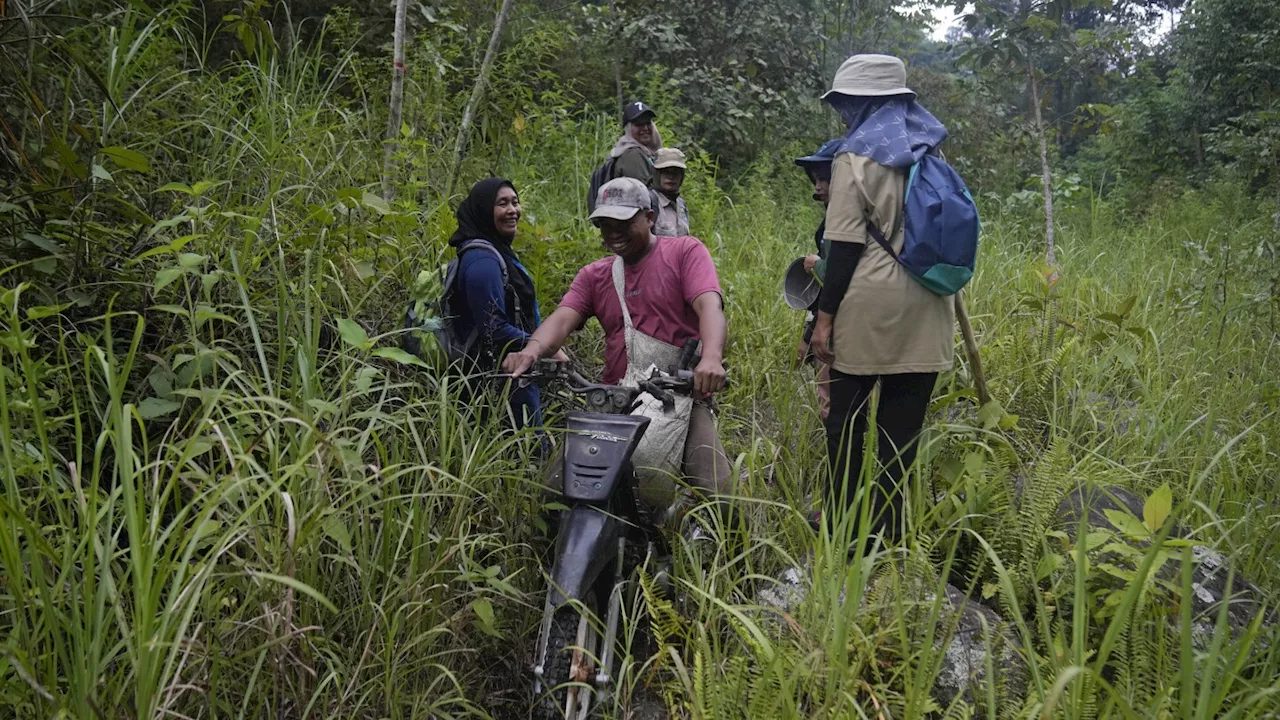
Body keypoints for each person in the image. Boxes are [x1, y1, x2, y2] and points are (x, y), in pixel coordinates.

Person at [502, 177, 731, 504]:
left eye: (623, 222)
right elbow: (562, 318)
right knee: (553, 494)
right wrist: (532, 351)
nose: (613, 232)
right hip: (615, 399)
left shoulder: (684, 253)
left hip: (677, 395)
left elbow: (709, 305)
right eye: (604, 224)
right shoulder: (595, 276)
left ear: (649, 217)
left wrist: (711, 357)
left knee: (723, 498)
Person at [809, 54, 955, 542]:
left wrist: (824, 317)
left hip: (868, 310)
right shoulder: (929, 149)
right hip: (930, 310)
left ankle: (844, 534)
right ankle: (889, 536)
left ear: (862, 101)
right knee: (901, 437)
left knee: (845, 428)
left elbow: (845, 246)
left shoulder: (853, 156)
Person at [450, 177, 564, 430]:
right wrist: (545, 346)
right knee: (527, 448)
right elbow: (494, 327)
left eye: (515, 202)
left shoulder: (496, 251)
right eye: (502, 203)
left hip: (514, 369)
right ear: (484, 210)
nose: (512, 210)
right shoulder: (482, 261)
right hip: (499, 376)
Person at [793, 138, 843, 420]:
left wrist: (818, 265)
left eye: (825, 178)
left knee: (835, 392)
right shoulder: (832, 218)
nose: (818, 185)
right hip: (833, 313)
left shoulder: (844, 221)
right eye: (816, 179)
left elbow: (843, 273)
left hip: (846, 317)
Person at [611, 101, 662, 186]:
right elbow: (644, 190)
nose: (645, 128)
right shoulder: (632, 154)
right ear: (628, 128)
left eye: (648, 123)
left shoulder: (646, 152)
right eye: (639, 124)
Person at [653, 147, 691, 237]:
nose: (671, 177)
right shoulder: (650, 202)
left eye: (675, 173)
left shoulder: (681, 204)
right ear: (657, 175)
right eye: (666, 172)